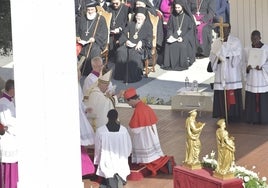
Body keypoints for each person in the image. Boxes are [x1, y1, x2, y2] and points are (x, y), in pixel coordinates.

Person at [123, 87, 171, 176]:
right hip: (150, 134)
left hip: (145, 137)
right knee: (151, 156)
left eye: (128, 102)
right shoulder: (145, 106)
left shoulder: (139, 109)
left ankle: (164, 163)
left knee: (148, 159)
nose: (129, 105)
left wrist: (127, 130)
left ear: (131, 100)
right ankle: (164, 162)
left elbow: (135, 130)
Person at [209, 25, 243, 122]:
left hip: (231, 71)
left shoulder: (235, 41)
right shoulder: (216, 42)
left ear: (229, 29)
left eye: (225, 29)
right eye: (221, 29)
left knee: (231, 91)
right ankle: (222, 114)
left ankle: (233, 115)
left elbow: (238, 55)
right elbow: (212, 56)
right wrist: (217, 60)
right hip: (220, 70)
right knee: (221, 92)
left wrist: (228, 56)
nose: (223, 31)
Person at [114, 7, 153, 83]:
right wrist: (125, 41)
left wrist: (142, 42)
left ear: (145, 17)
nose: (139, 18)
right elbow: (124, 34)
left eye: (141, 17)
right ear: (135, 16)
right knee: (120, 51)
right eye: (138, 16)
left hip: (141, 46)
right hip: (129, 44)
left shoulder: (148, 26)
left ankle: (132, 76)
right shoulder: (131, 23)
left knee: (134, 54)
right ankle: (120, 75)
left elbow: (149, 38)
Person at [94, 109, 132, 186]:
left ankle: (111, 180)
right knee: (120, 172)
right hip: (121, 160)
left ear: (107, 117)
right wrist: (126, 155)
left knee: (108, 173)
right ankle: (119, 179)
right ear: (117, 117)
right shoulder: (123, 130)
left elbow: (97, 147)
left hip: (106, 160)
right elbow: (129, 145)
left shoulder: (100, 131)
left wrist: (97, 160)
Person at [76, 0, 108, 76]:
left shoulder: (100, 19)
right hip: (82, 43)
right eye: (88, 10)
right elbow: (76, 29)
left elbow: (104, 33)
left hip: (95, 43)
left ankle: (94, 73)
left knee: (95, 50)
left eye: (92, 10)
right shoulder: (82, 18)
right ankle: (79, 71)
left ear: (95, 10)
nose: (90, 12)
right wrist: (77, 36)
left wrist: (94, 39)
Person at [162, 0, 196, 71]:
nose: (177, 9)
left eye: (178, 7)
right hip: (174, 36)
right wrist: (170, 35)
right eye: (175, 7)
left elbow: (190, 31)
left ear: (183, 7)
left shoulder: (188, 17)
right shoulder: (172, 16)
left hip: (185, 37)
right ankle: (169, 64)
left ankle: (182, 64)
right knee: (168, 44)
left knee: (181, 45)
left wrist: (183, 38)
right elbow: (169, 28)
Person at [244, 30, 268, 124]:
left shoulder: (266, 48)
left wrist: (262, 67)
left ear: (260, 38)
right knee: (252, 99)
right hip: (252, 78)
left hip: (262, 78)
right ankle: (252, 119)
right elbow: (244, 63)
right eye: (252, 38)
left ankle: (264, 119)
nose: (254, 40)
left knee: (263, 99)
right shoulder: (247, 49)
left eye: (256, 38)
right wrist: (247, 68)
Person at [77, 64, 95, 177]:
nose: (80, 75)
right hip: (75, 117)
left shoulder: (77, 85)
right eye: (78, 73)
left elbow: (79, 103)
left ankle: (85, 168)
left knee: (80, 145)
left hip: (79, 114)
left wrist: (84, 108)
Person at [0, 79, 18, 188]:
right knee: (9, 166)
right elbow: (7, 122)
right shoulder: (3, 103)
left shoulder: (9, 101)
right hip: (8, 139)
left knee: (13, 164)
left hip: (13, 138)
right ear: (11, 89)